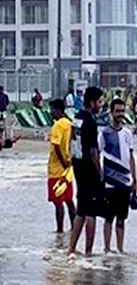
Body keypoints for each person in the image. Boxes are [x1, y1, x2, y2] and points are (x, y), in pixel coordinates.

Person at [67, 87, 105, 257]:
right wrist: (100, 172)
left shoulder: (77, 118)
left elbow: (72, 141)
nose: (101, 105)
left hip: (77, 165)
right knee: (91, 212)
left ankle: (71, 248)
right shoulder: (90, 122)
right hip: (89, 168)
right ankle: (88, 252)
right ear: (92, 102)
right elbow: (93, 151)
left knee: (81, 209)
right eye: (99, 102)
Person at [99, 97, 137, 254]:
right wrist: (100, 176)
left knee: (121, 219)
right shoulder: (104, 133)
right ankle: (107, 249)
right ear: (111, 112)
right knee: (108, 218)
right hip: (109, 183)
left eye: (122, 111)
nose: (120, 114)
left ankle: (120, 250)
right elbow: (97, 155)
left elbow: (131, 157)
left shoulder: (128, 133)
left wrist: (135, 179)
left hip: (125, 183)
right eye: (117, 111)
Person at [46, 98, 76, 234]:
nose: (50, 112)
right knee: (69, 200)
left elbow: (56, 146)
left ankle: (59, 230)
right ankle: (74, 228)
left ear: (58, 110)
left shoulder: (57, 125)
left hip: (56, 169)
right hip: (67, 169)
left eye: (52, 110)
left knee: (58, 202)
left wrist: (63, 162)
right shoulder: (69, 123)